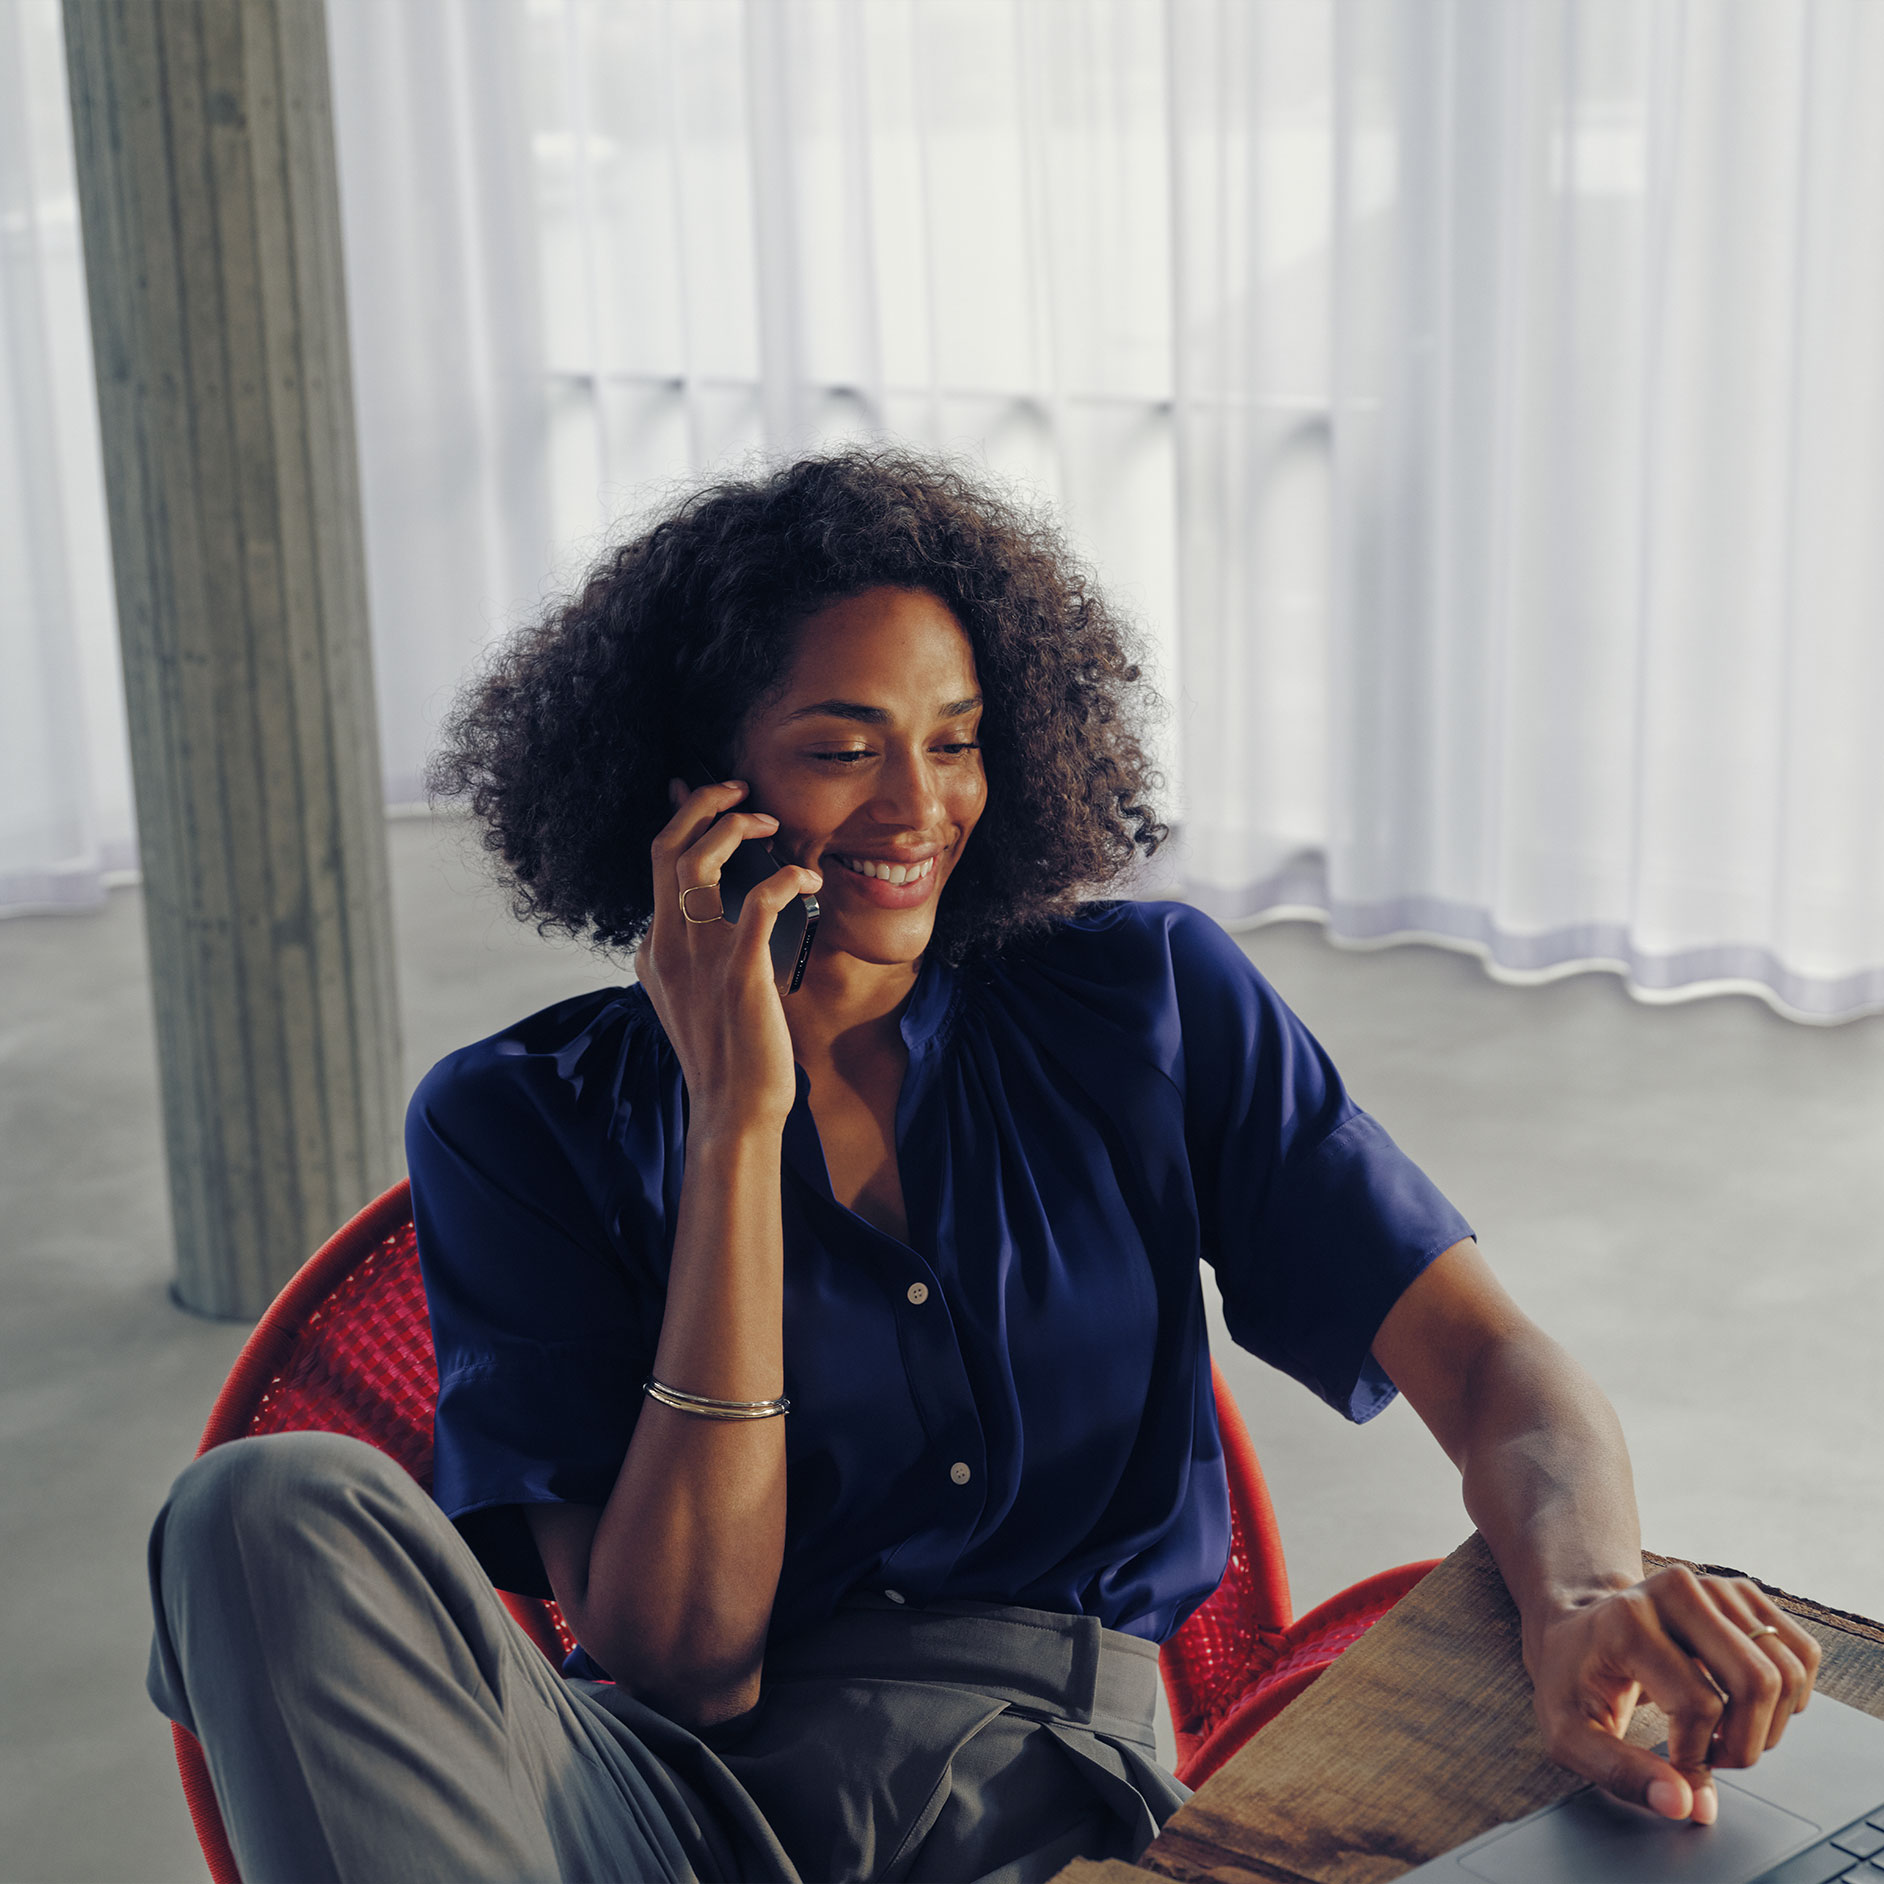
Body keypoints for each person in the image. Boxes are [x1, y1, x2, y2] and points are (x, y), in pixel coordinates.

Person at [147, 447, 1819, 1884]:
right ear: (694, 791)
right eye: (841, 742)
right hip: (648, 1815)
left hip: (1038, 1805)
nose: (917, 803)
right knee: (257, 1506)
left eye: (953, 736)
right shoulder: (516, 1117)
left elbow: (1491, 1366)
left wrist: (1584, 1586)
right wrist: (735, 1120)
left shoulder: (1145, 1004)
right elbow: (678, 1663)